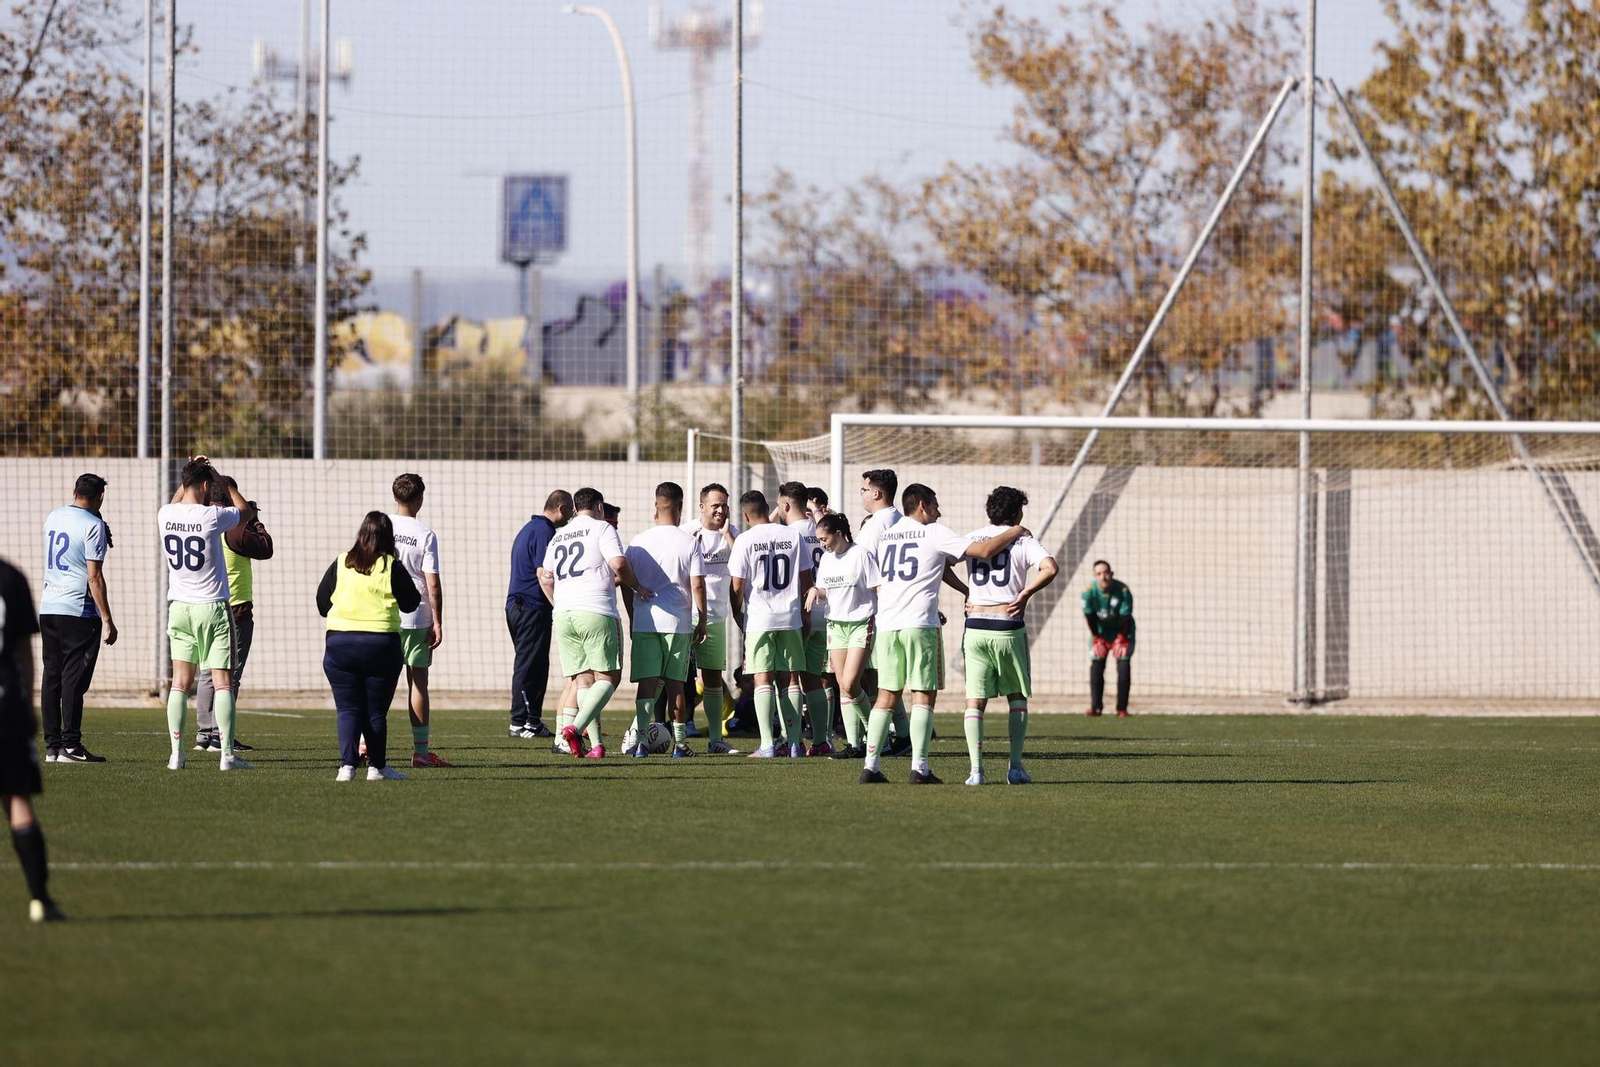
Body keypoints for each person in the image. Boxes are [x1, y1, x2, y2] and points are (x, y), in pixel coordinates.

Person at [861, 483, 1026, 786]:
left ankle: (870, 766)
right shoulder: (934, 532)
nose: (940, 511)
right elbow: (985, 550)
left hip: (886, 624)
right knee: (923, 695)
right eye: (936, 505)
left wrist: (966, 589)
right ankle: (919, 767)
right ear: (922, 505)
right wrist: (1016, 530)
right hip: (919, 623)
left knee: (885, 696)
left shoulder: (888, 535)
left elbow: (940, 564)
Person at [159, 457, 256, 772]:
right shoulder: (212, 516)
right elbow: (246, 512)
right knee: (223, 681)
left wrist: (191, 477)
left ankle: (177, 754)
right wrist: (221, 479)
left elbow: (177, 501)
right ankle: (226, 755)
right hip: (211, 606)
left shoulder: (165, 514)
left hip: (179, 608)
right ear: (206, 486)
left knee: (179, 684)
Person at [962, 486, 1058, 786]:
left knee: (974, 702)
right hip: (1007, 625)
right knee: (1016, 697)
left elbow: (939, 565)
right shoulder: (1022, 538)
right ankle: (1015, 768)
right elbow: (1050, 567)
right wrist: (1027, 592)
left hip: (975, 625)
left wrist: (966, 591)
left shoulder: (972, 537)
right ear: (1016, 512)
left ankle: (976, 771)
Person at [317, 511, 421, 781]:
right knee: (375, 711)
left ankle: (346, 767)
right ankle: (377, 767)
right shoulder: (390, 565)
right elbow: (411, 603)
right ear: (389, 538)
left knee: (348, 708)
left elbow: (321, 602)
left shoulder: (341, 562)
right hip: (380, 644)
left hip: (340, 643)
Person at [553, 488, 653, 759]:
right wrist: (637, 586)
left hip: (563, 613)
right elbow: (619, 563)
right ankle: (576, 727)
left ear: (575, 508)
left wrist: (561, 602)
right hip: (595, 609)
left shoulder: (559, 534)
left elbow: (546, 575)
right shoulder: (602, 528)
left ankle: (596, 746)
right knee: (609, 677)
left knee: (584, 679)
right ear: (599, 507)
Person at [623, 482, 708, 759]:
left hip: (646, 621)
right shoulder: (689, 542)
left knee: (647, 685)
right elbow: (697, 585)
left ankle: (641, 744)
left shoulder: (637, 541)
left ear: (655, 505)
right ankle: (680, 745)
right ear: (681, 506)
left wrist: (634, 615)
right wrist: (703, 618)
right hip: (677, 623)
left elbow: (624, 582)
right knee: (675, 685)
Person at [2, 555, 64, 922]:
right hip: (5, 706)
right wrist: (27, 706)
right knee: (17, 801)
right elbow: (25, 652)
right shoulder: (10, 578)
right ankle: (40, 898)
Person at [728, 489, 813, 758]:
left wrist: (737, 613)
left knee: (762, 678)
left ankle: (767, 744)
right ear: (767, 509)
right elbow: (806, 578)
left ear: (745, 514)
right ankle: (796, 744)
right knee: (791, 680)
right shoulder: (792, 535)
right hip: (790, 615)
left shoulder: (744, 540)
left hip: (760, 617)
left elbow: (737, 585)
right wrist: (806, 615)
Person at [38, 473, 117, 763]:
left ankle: (52, 747)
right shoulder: (93, 525)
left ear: (74, 492)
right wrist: (107, 619)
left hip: (49, 606)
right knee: (73, 679)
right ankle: (71, 745)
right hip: (77, 609)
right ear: (100, 497)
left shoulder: (53, 516)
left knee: (52, 676)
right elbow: (93, 577)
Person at [195, 475, 272, 754]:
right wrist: (253, 521)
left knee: (206, 672)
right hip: (234, 607)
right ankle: (220, 733)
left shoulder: (199, 518)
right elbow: (265, 547)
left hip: (202, 605)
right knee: (230, 674)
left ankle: (204, 733)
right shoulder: (234, 526)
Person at [388, 473, 451, 768]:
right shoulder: (425, 534)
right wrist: (438, 621)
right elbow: (433, 585)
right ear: (420, 499)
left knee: (380, 683)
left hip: (385, 615)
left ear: (395, 496)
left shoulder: (380, 527)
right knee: (418, 684)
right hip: (417, 616)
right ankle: (421, 752)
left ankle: (364, 745)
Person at [806, 513, 880, 760]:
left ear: (839, 534)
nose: (821, 544)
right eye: (818, 539)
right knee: (844, 687)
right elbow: (825, 589)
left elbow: (877, 587)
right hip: (835, 626)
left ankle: (875, 731)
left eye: (824, 538)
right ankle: (855, 745)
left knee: (850, 683)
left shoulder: (861, 555)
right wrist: (815, 590)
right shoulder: (827, 559)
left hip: (861, 624)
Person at [507, 490, 573, 741]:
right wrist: (559, 603)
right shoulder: (545, 531)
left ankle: (528, 719)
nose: (571, 516)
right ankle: (524, 722)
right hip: (530, 606)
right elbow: (542, 573)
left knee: (532, 662)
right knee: (530, 665)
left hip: (519, 605)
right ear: (560, 508)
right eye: (570, 510)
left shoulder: (530, 528)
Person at [776, 481, 833, 755]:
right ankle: (821, 740)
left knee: (788, 678)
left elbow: (793, 579)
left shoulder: (788, 535)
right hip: (826, 610)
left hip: (801, 613)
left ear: (786, 505)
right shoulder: (822, 528)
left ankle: (794, 740)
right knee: (814, 678)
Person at [857, 468, 911, 756]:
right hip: (897, 608)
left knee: (871, 678)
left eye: (864, 491)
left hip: (874, 610)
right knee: (882, 677)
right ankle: (902, 735)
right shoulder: (901, 521)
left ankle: (879, 737)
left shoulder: (875, 525)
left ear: (877, 493)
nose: (862, 496)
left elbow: (861, 568)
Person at [686, 483, 740, 755]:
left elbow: (743, 566)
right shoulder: (688, 532)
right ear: (702, 506)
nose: (720, 510)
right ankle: (644, 732)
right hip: (686, 616)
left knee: (712, 678)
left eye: (724, 505)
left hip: (717, 618)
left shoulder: (733, 534)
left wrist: (729, 537)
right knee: (668, 676)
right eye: (715, 505)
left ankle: (716, 740)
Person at [1083, 560, 1135, 717]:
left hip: (1123, 632)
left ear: (1111, 574)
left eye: (1106, 573)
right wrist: (1097, 638)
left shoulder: (1123, 591)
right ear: (1094, 576)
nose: (1103, 577)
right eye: (1099, 574)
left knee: (1123, 667)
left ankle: (1122, 708)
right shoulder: (1088, 592)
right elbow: (1089, 616)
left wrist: (1122, 638)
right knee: (1096, 666)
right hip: (1100, 633)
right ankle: (1096, 707)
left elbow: (1126, 617)